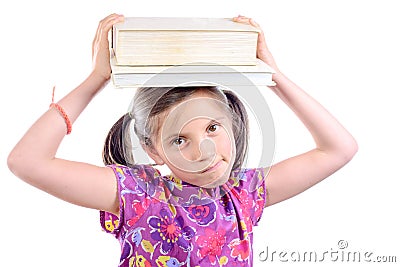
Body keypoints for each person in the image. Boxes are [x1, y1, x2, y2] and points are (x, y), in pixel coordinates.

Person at [7, 13, 358, 266]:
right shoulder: (138, 194)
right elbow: (27, 162)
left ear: (233, 125)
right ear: (151, 149)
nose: (203, 150)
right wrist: (97, 78)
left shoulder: (243, 194)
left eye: (212, 128)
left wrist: (273, 75)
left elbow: (339, 148)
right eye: (179, 139)